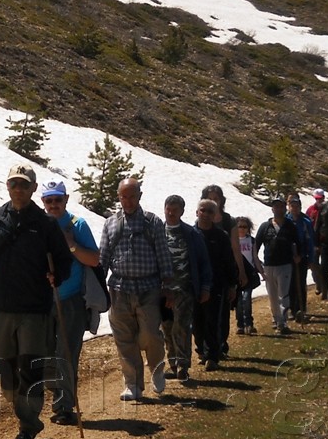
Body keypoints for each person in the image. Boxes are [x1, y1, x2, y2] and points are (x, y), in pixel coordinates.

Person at [0, 165, 73, 439]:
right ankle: (25, 416)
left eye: (24, 184)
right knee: (3, 367)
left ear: (34, 189)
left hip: (34, 309)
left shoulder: (46, 225)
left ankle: (27, 429)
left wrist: (57, 276)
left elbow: (64, 261)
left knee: (31, 369)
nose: (19, 189)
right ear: (7, 185)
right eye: (14, 183)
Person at [99, 177, 173, 401]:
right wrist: (97, 285)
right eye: (124, 196)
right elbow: (103, 256)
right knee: (124, 338)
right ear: (119, 197)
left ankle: (157, 370)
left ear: (139, 196)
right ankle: (133, 385)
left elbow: (163, 255)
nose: (128, 201)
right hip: (119, 289)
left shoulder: (153, 222)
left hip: (148, 288)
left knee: (151, 334)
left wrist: (168, 287)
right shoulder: (110, 223)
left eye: (132, 196)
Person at [38, 179, 100, 425]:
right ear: (43, 202)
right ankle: (57, 396)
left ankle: (63, 406)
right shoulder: (38, 225)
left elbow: (94, 259)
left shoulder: (78, 225)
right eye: (49, 200)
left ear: (66, 199)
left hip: (71, 300)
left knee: (66, 354)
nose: (53, 204)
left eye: (58, 200)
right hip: (43, 299)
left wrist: (71, 245)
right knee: (45, 353)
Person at [160, 194, 211, 383]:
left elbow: (203, 262)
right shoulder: (157, 232)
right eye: (169, 209)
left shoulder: (191, 234)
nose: (171, 213)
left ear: (182, 211)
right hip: (162, 292)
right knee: (166, 328)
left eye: (175, 209)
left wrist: (205, 287)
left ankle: (183, 366)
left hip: (185, 290)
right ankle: (172, 364)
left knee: (181, 327)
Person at [194, 198, 237, 369]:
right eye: (202, 210)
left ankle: (212, 356)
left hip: (217, 284)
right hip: (194, 284)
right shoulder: (191, 234)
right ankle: (201, 350)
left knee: (212, 320)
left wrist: (232, 284)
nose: (205, 214)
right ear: (197, 212)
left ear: (215, 215)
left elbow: (229, 261)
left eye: (209, 211)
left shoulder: (221, 236)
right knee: (196, 321)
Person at [255, 198, 302, 335]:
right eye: (276, 207)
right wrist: (258, 264)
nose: (278, 209)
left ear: (284, 208)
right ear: (272, 209)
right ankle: (276, 319)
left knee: (284, 295)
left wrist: (298, 255)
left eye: (281, 207)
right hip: (269, 265)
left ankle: (283, 322)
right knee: (273, 296)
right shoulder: (265, 226)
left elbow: (298, 243)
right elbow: (256, 246)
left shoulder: (290, 226)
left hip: (285, 265)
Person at [232, 215, 263, 340]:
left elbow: (255, 257)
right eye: (239, 226)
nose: (242, 229)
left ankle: (249, 324)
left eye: (245, 227)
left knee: (247, 298)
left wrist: (261, 271)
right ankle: (240, 324)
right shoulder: (233, 240)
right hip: (236, 273)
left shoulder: (251, 240)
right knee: (239, 300)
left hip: (249, 273)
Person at [285, 195, 315, 323]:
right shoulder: (286, 220)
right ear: (289, 207)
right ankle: (292, 309)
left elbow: (310, 242)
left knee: (301, 283)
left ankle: (302, 309)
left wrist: (308, 258)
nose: (295, 209)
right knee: (290, 284)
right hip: (288, 257)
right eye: (292, 206)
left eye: (297, 206)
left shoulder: (305, 222)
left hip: (302, 257)